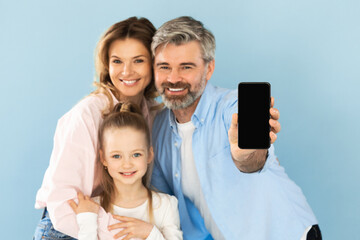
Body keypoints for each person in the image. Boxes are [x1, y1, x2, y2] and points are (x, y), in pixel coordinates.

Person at [150, 16, 321, 240]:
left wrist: (246, 154)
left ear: (208, 69)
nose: (173, 78)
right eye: (164, 67)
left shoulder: (234, 107)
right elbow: (164, 203)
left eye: (186, 67)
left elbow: (253, 160)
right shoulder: (157, 128)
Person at [34, 17, 162, 239]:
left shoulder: (154, 114)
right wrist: (130, 233)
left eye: (138, 60)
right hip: (70, 228)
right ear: (106, 64)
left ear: (154, 63)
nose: (127, 71)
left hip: (113, 224)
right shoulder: (86, 116)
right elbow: (63, 202)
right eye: (117, 61)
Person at [68, 102, 183, 240]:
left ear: (149, 155)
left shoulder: (166, 206)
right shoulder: (94, 208)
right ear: (103, 158)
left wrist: (150, 232)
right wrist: (87, 220)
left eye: (136, 154)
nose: (127, 164)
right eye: (116, 156)